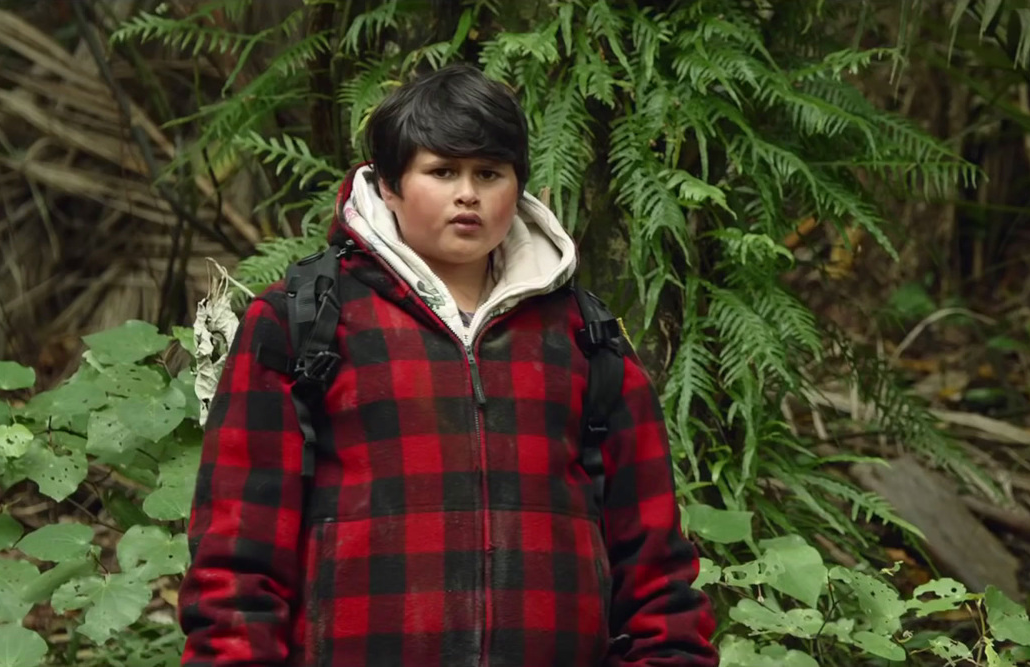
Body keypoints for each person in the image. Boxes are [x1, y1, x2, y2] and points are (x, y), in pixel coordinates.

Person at [177, 63, 718, 667]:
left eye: (489, 173)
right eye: (442, 171)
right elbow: (236, 559)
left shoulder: (586, 337)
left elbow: (655, 572)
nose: (469, 193)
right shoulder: (303, 323)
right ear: (387, 183)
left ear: (518, 185)